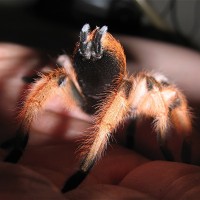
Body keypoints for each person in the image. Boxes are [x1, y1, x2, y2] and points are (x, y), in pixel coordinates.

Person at [0, 35, 200, 199]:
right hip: (87, 90)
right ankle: (22, 139)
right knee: (58, 76)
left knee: (156, 86)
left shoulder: (130, 90)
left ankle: (170, 145)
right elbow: (62, 66)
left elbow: (154, 89)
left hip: (111, 91)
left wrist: (166, 138)